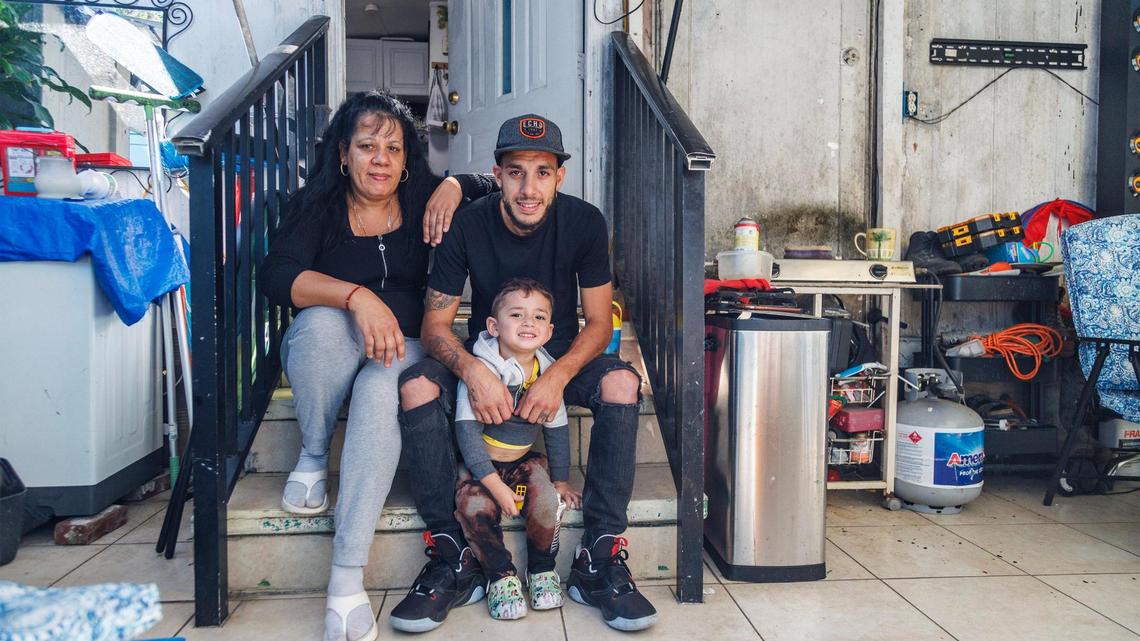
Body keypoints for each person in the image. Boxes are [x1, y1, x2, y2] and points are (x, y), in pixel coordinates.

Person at [389, 114, 658, 633]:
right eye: (515, 172)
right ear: (497, 174)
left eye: (542, 171)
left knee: (622, 381)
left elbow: (600, 323)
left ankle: (599, 559)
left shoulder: (584, 222)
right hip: (490, 356)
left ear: (560, 176)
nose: (528, 188)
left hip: (557, 358)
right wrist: (472, 370)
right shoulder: (468, 224)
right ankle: (452, 556)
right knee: (416, 384)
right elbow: (436, 324)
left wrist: (555, 378)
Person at [259, 90, 495, 641]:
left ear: (408, 158)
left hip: (411, 344)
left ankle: (345, 575)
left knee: (380, 386)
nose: (381, 159)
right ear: (344, 153)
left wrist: (456, 184)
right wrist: (357, 297)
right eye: (367, 146)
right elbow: (277, 277)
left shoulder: (425, 197)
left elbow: (492, 181)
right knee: (316, 330)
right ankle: (315, 454)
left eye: (393, 147)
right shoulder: (317, 206)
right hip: (342, 333)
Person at [452, 278, 582, 621]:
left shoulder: (549, 372)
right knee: (475, 506)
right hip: (480, 465)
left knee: (544, 501)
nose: (529, 323)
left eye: (539, 317)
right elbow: (466, 434)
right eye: (517, 314)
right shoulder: (480, 371)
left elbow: (556, 430)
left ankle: (540, 570)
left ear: (550, 330)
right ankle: (501, 576)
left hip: (523, 462)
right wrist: (494, 485)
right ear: (494, 326)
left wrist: (560, 481)